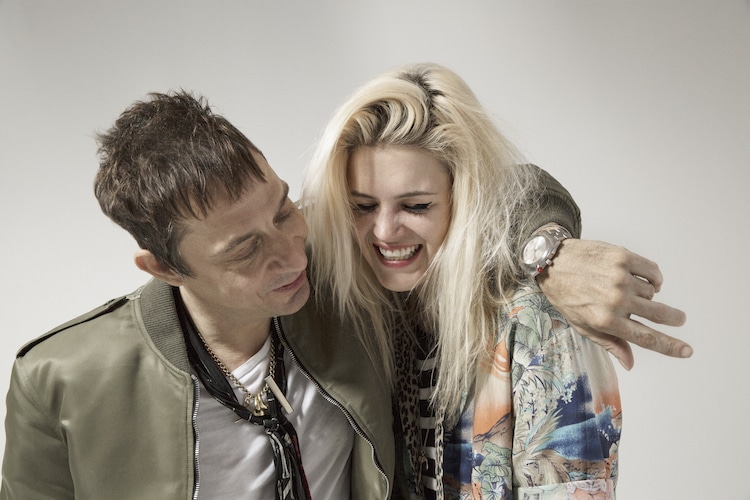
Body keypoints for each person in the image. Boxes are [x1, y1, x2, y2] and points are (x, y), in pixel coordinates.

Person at [1, 89, 684, 499]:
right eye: (244, 250)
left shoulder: (343, 287)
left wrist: (549, 251)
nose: (289, 250)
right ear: (163, 267)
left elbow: (484, 184)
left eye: (283, 209)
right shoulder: (60, 381)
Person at [300, 62, 668, 498]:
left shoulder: (536, 320)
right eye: (362, 206)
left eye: (416, 206)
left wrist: (550, 248)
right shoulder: (365, 304)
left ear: (464, 196)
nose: (384, 232)